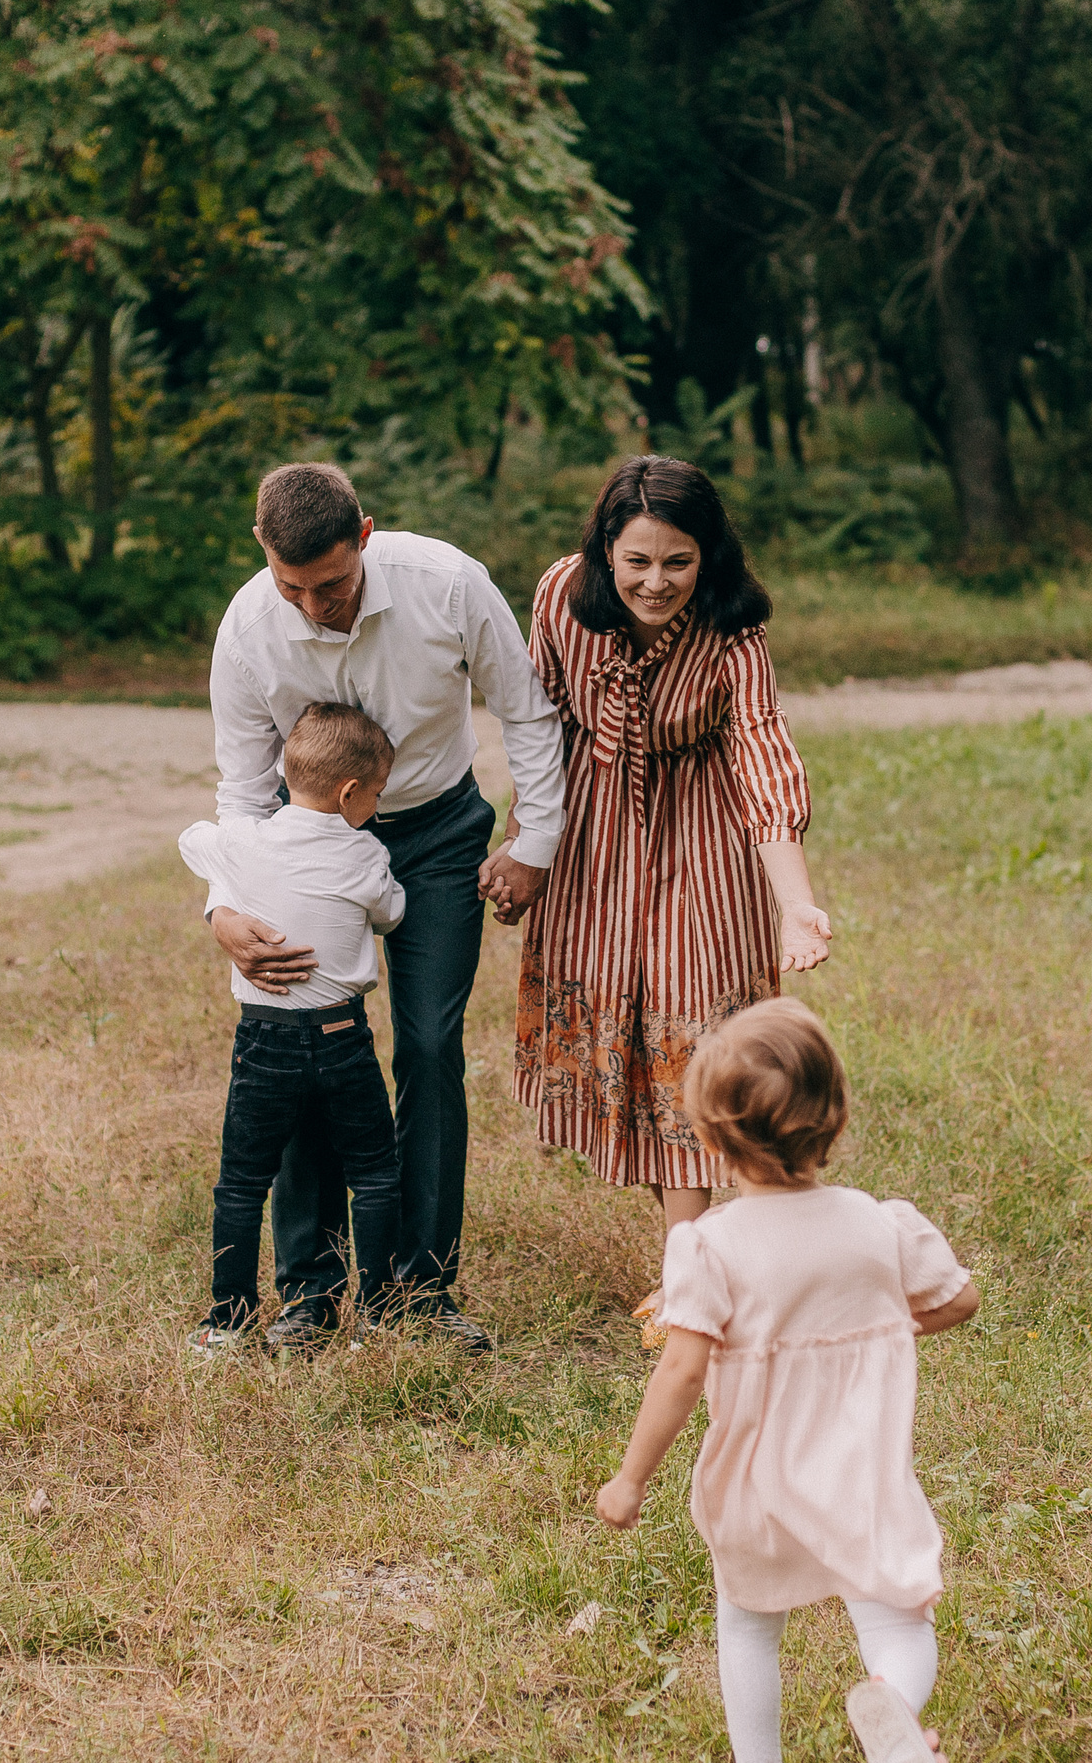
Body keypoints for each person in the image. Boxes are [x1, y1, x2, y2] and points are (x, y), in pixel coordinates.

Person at [206, 462, 567, 1353]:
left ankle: (419, 1289)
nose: (313, 607)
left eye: (331, 584)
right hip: (305, 841)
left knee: (432, 1046)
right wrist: (226, 908)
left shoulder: (448, 582)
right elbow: (243, 792)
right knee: (300, 1041)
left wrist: (533, 845)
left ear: (364, 535)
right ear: (263, 554)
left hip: (437, 832)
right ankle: (310, 1292)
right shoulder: (250, 628)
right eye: (294, 587)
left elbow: (525, 711)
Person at [594, 1000, 979, 1763]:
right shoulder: (881, 1223)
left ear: (708, 1137)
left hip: (756, 1478)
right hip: (860, 1472)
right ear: (833, 1119)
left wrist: (630, 1478)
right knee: (898, 1621)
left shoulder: (708, 1245)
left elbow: (682, 1366)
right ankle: (895, 1714)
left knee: (746, 1621)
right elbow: (959, 1298)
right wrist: (874, 1329)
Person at [513, 457, 831, 1322]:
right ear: (605, 551)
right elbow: (535, 726)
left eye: (678, 562)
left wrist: (793, 899)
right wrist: (528, 848)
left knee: (698, 1045)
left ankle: (692, 1273)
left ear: (708, 555)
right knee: (635, 1045)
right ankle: (699, 1257)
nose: (656, 583)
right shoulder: (557, 599)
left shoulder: (734, 631)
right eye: (639, 561)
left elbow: (763, 756)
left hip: (702, 835)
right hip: (594, 839)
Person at [176, 703, 404, 1356]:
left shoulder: (246, 842)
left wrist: (229, 889)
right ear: (349, 793)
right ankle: (378, 1315)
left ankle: (228, 1319)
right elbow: (391, 913)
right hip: (341, 1039)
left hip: (264, 1041)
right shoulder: (365, 853)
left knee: (243, 1181)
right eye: (377, 794)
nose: (377, 807)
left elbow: (192, 838)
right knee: (376, 1174)